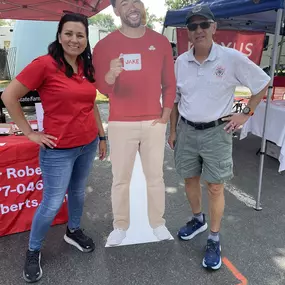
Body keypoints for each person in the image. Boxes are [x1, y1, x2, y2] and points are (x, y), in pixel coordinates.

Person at [1, 13, 107, 283]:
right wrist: (30, 133)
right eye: (69, 33)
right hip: (58, 149)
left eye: (80, 35)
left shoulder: (86, 65)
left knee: (78, 192)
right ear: (59, 36)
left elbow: (91, 103)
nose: (74, 39)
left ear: (86, 39)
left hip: (87, 144)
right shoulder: (44, 65)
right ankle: (33, 249)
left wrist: (102, 136)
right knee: (50, 203)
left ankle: (72, 231)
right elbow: (8, 96)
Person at [168, 4, 270, 270]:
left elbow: (260, 84)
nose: (198, 30)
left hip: (217, 132)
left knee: (214, 187)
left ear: (214, 28)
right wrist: (173, 130)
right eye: (193, 26)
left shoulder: (231, 58)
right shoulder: (180, 62)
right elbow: (175, 101)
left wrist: (244, 114)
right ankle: (197, 219)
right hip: (187, 131)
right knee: (189, 179)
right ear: (187, 32)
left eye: (204, 25)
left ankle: (213, 237)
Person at [93, 0, 176, 246]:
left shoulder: (160, 42)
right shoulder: (104, 45)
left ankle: (157, 223)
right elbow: (101, 87)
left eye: (137, 1)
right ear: (116, 10)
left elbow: (169, 83)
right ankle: (120, 225)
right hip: (120, 123)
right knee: (120, 178)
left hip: (153, 122)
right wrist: (111, 74)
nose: (133, 7)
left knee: (156, 177)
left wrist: (165, 114)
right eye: (125, 3)